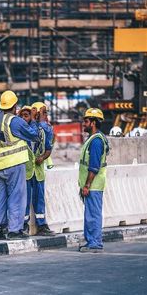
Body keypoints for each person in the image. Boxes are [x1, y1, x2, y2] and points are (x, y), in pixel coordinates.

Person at [0, 90, 40, 240]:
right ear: (15, 106)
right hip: (14, 164)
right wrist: (32, 120)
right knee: (16, 196)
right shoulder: (15, 121)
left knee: (0, 197)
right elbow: (34, 135)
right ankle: (14, 230)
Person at [79, 108, 109, 253]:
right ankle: (91, 241)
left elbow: (94, 166)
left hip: (94, 185)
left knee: (93, 214)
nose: (83, 123)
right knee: (90, 214)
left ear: (93, 123)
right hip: (93, 184)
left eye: (86, 121)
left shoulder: (96, 141)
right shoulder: (93, 138)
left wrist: (87, 185)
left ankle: (95, 243)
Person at [22, 102, 55, 236]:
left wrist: (42, 157)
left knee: (39, 199)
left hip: (38, 171)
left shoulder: (43, 129)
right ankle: (23, 225)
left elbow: (48, 149)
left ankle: (41, 225)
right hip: (26, 171)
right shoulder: (23, 129)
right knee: (25, 199)